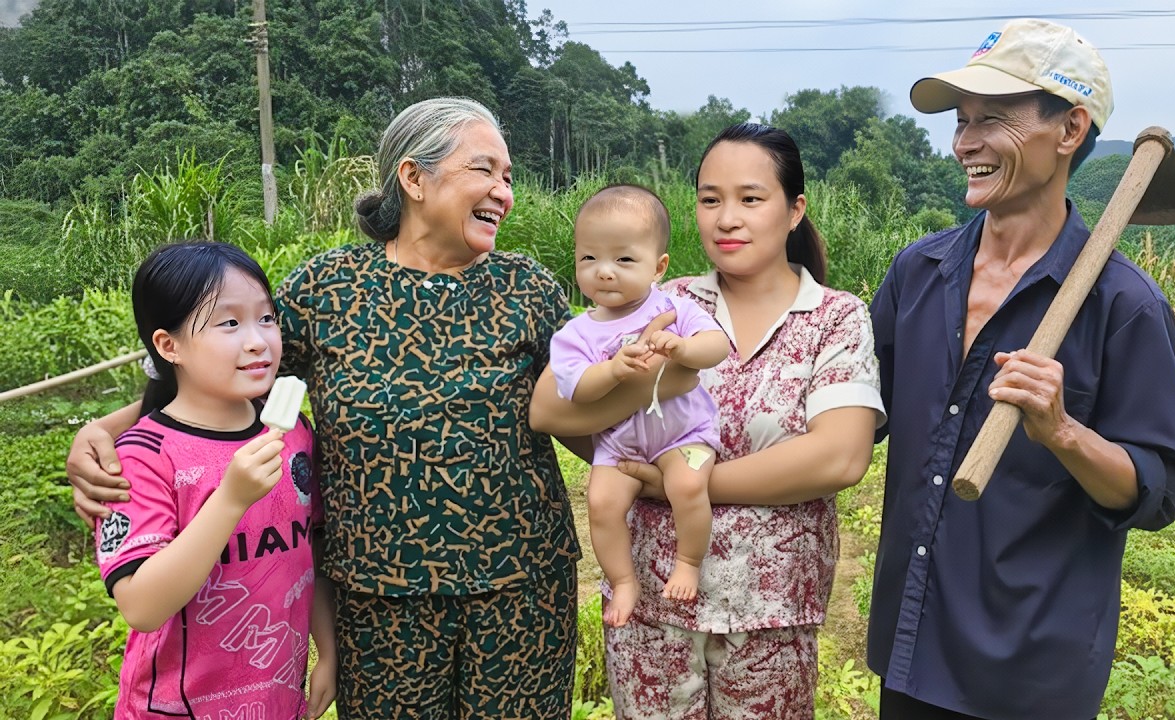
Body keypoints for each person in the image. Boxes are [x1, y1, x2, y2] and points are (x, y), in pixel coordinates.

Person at [67, 97, 689, 719]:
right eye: (484, 170)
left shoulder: (524, 287)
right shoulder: (328, 288)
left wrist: (666, 470)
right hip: (377, 602)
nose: (503, 190)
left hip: (519, 588)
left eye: (507, 175)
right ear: (414, 178)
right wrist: (108, 428)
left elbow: (580, 404)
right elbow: (227, 373)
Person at [866, 19, 1175, 720]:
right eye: (961, 122)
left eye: (992, 119)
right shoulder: (918, 273)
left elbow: (1159, 488)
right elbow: (858, 411)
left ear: (1070, 128)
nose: (964, 142)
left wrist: (1062, 431)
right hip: (909, 643)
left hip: (1026, 671)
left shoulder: (1125, 307)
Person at [531, 123, 884, 719]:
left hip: (770, 614)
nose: (726, 219)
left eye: (750, 199)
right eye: (710, 199)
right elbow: (549, 407)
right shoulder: (661, 299)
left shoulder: (833, 317)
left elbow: (840, 457)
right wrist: (631, 408)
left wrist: (676, 483)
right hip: (653, 612)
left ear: (795, 209)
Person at [94, 240, 335, 719]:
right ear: (169, 346)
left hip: (275, 700)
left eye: (266, 318)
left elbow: (312, 553)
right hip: (174, 709)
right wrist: (230, 500)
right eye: (229, 323)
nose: (257, 341)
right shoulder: (143, 456)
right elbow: (141, 605)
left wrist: (327, 650)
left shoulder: (293, 436)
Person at [551, 184, 729, 627]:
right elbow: (576, 388)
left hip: (684, 434)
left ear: (658, 266)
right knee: (601, 502)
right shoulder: (576, 333)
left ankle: (688, 562)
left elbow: (717, 346)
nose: (604, 272)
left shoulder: (674, 306)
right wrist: (611, 370)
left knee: (688, 487)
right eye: (589, 259)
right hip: (620, 444)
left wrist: (683, 350)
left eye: (624, 259)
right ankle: (623, 580)